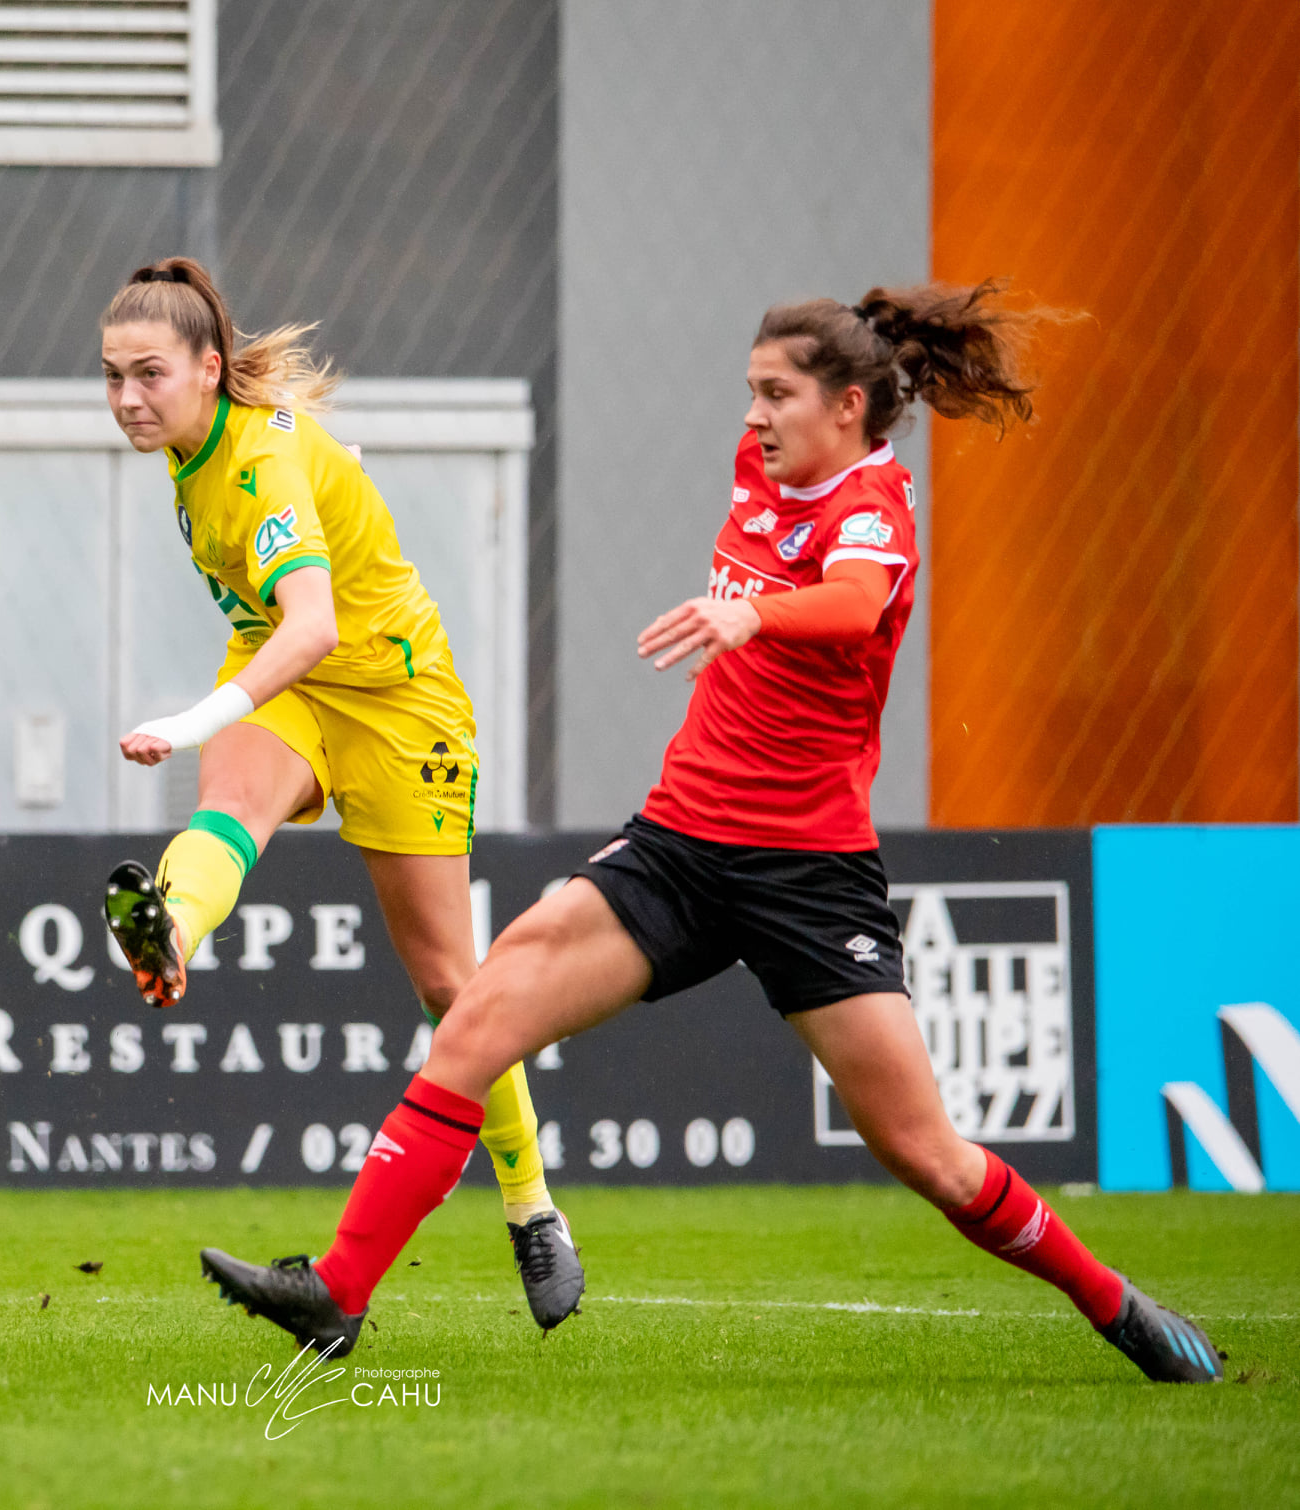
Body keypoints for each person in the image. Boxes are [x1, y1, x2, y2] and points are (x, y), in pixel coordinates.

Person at [201, 281, 1224, 1385]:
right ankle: (339, 1291)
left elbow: (853, 601)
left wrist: (750, 611)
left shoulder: (874, 505)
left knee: (928, 1156)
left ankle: (1114, 1303)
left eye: (776, 394)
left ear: (846, 406)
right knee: (478, 1015)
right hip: (680, 846)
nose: (753, 416)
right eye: (750, 392)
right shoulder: (763, 466)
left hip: (809, 875)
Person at [96, 257, 584, 1330]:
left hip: (398, 701)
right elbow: (301, 544)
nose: (127, 397)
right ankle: (170, 931)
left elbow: (315, 622)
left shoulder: (255, 462)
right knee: (227, 808)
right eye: (112, 376)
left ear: (208, 369)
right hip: (289, 679)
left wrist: (192, 718)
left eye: (148, 374)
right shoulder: (199, 446)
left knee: (450, 985)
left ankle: (530, 1204)